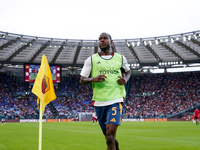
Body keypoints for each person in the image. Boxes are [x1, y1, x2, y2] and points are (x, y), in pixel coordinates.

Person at [80, 32, 131, 150]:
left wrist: (126, 79)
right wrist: (94, 79)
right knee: (108, 137)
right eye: (100, 39)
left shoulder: (120, 58)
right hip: (99, 101)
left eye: (105, 38)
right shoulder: (91, 59)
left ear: (111, 41)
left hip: (116, 98)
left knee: (109, 137)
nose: (102, 40)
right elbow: (82, 79)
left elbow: (128, 71)